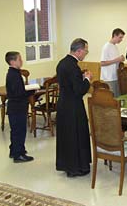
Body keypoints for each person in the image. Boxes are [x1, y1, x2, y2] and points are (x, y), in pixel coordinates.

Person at [56, 38, 93, 177]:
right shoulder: (73, 66)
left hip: (63, 104)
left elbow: (69, 83)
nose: (86, 53)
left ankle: (67, 165)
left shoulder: (62, 63)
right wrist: (87, 79)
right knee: (76, 136)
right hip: (73, 107)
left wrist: (80, 77)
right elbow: (79, 90)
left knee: (67, 136)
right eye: (86, 51)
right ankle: (76, 168)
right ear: (79, 51)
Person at [5, 51, 34, 163]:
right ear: (12, 62)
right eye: (19, 59)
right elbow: (18, 93)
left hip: (15, 107)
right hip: (17, 107)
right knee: (20, 131)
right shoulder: (14, 75)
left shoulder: (14, 73)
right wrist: (31, 91)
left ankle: (14, 150)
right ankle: (18, 155)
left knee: (15, 130)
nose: (21, 61)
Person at [100, 28, 125, 97]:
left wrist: (120, 59)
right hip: (109, 78)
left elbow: (116, 60)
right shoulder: (106, 46)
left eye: (122, 38)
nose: (121, 40)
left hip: (116, 76)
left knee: (117, 98)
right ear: (114, 35)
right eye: (120, 37)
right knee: (111, 99)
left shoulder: (115, 47)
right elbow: (102, 63)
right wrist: (117, 60)